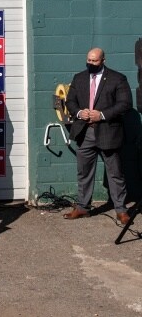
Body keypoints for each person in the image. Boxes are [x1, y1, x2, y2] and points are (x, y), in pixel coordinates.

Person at [63, 47, 132, 225]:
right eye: (88, 60)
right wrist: (79, 113)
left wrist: (101, 115)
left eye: (94, 61)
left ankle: (121, 210)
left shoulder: (117, 78)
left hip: (108, 131)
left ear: (103, 60)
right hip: (84, 132)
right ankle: (83, 207)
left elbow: (125, 104)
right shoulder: (79, 78)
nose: (90, 63)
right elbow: (70, 101)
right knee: (84, 171)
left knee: (115, 173)